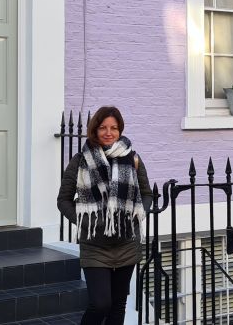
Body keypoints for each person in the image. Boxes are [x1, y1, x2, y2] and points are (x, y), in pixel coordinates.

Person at [57, 106, 153, 325]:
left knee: (118, 305)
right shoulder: (80, 161)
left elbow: (146, 195)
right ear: (94, 130)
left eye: (114, 128)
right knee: (100, 304)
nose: (109, 133)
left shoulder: (133, 159)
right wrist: (87, 221)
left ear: (120, 130)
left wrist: (137, 215)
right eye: (103, 128)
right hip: (95, 245)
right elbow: (63, 201)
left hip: (127, 242)